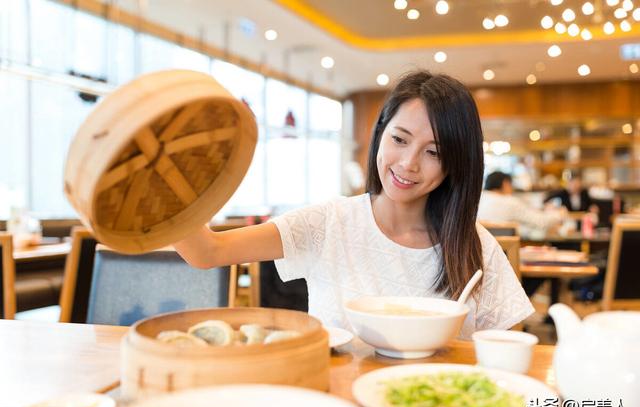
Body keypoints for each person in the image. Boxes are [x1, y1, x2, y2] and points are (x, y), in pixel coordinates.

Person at [174, 70, 534, 339]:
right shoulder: (328, 222)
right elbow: (206, 251)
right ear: (380, 133)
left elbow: (509, 344)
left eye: (433, 152)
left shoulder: (474, 245)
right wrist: (169, 183)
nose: (409, 162)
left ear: (456, 162)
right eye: (399, 139)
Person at [478, 171, 566, 238]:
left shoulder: (478, 200)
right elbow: (541, 221)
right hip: (507, 254)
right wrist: (559, 214)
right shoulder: (509, 202)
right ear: (505, 184)